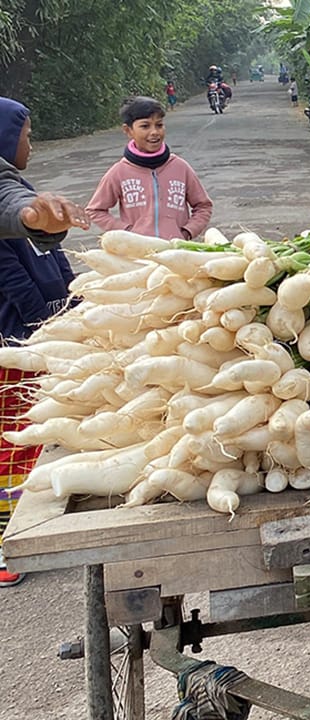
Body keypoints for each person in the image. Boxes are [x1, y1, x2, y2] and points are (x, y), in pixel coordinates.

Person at [0, 97, 82, 587]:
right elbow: (10, 211)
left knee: (23, 431)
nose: (30, 143)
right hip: (13, 335)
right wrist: (44, 319)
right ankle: (9, 543)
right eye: (26, 133)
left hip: (25, 328)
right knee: (13, 437)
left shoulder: (13, 180)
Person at [86, 97, 213, 241]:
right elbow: (95, 210)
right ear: (128, 131)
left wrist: (186, 232)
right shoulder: (119, 172)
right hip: (138, 254)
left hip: (176, 254)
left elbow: (203, 206)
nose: (154, 132)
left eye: (159, 125)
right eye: (145, 126)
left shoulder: (180, 167)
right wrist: (126, 232)